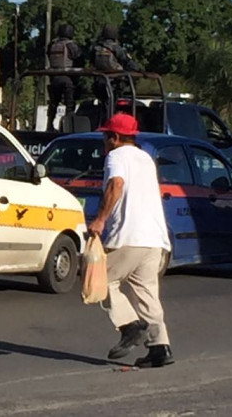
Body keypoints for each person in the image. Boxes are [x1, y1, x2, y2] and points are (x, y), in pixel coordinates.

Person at [88, 112, 174, 368]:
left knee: (101, 280)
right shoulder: (146, 158)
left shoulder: (116, 156)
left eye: (105, 137)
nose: (104, 143)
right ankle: (160, 347)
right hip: (154, 238)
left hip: (129, 235)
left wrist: (100, 219)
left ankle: (129, 326)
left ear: (114, 137)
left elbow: (116, 184)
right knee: (146, 294)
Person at [91, 24, 141, 122]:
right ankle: (109, 122)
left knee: (104, 106)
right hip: (113, 83)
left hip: (99, 82)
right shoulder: (117, 48)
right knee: (110, 107)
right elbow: (130, 63)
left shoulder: (95, 48)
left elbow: (92, 63)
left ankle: (103, 122)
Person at [46, 23, 82, 131]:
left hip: (54, 78)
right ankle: (69, 127)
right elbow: (79, 59)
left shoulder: (52, 45)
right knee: (69, 105)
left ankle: (49, 125)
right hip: (67, 78)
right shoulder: (72, 45)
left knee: (53, 103)